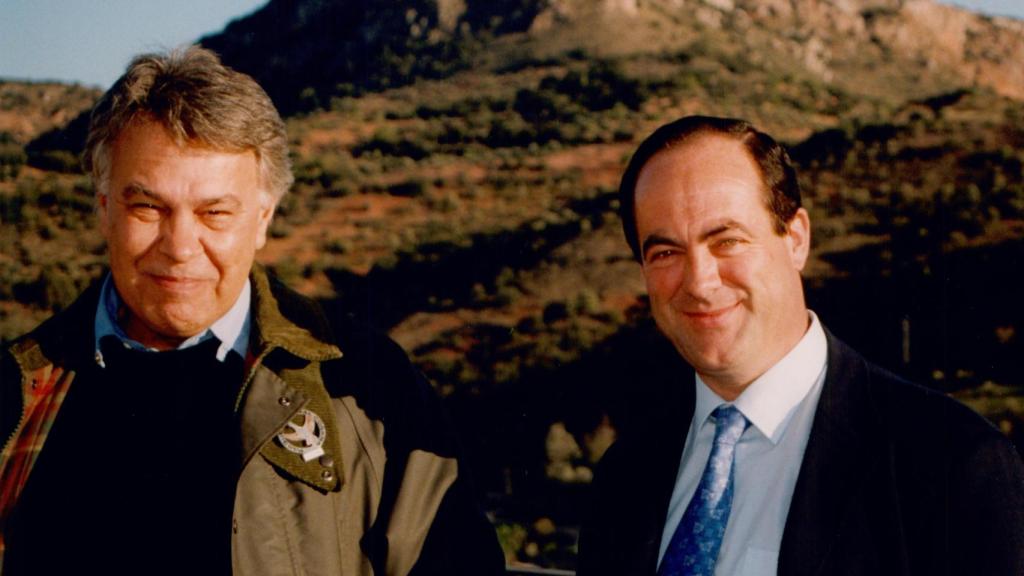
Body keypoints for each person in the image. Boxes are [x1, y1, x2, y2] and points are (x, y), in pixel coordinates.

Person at [0, 46, 504, 575]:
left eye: (214, 213)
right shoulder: (14, 392)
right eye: (147, 207)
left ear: (263, 218)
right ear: (103, 209)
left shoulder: (368, 389)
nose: (180, 245)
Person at [577, 115, 1024, 576]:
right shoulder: (624, 475)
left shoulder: (948, 463)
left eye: (727, 240)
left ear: (796, 239)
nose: (700, 282)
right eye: (665, 252)